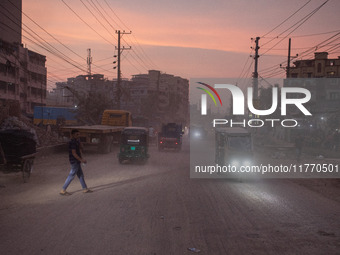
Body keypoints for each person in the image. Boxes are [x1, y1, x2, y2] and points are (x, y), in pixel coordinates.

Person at [60, 129, 92, 195]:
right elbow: (74, 153)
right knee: (71, 175)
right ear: (72, 135)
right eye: (77, 134)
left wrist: (81, 145)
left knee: (80, 175)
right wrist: (81, 160)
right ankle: (63, 190)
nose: (78, 135)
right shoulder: (72, 142)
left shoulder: (77, 141)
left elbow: (81, 150)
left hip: (77, 161)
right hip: (74, 161)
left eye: (79, 134)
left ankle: (85, 188)